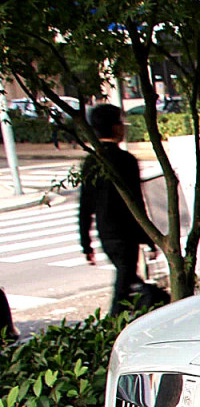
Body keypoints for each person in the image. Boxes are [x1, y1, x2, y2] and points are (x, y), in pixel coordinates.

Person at [79, 104, 154, 314]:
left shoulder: (92, 161)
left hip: (106, 233)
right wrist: (148, 237)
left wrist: (86, 243)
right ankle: (114, 323)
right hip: (126, 233)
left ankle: (133, 312)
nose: (124, 128)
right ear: (115, 128)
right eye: (121, 123)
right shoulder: (125, 160)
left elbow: (85, 207)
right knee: (125, 282)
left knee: (128, 277)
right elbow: (136, 203)